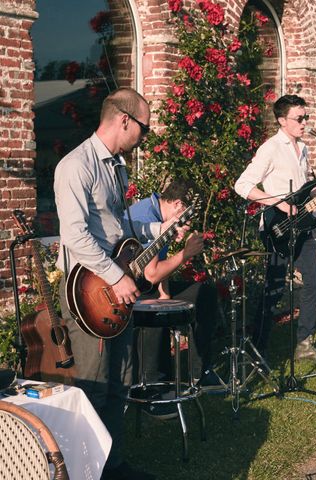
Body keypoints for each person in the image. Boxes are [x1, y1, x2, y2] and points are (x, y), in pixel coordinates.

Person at [54, 87, 180, 480]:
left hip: (114, 288)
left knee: (119, 380)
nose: (145, 136)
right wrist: (117, 276)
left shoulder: (116, 166)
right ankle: (86, 471)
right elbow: (75, 235)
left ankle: (113, 464)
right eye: (143, 127)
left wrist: (163, 227)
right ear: (124, 120)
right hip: (88, 291)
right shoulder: (75, 165)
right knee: (94, 385)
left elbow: (118, 228)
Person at [234, 94, 316, 360]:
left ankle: (305, 343)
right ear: (282, 120)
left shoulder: (304, 149)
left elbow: (300, 191)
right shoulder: (271, 148)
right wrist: (280, 204)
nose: (304, 123)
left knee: (314, 282)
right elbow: (243, 185)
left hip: (302, 226)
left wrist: (315, 193)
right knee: (274, 288)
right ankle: (258, 344)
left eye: (305, 117)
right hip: (277, 228)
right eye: (299, 118)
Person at [125, 179, 220, 419]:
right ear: (178, 204)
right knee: (156, 308)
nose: (186, 226)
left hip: (147, 284)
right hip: (129, 291)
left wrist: (165, 291)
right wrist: (186, 254)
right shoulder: (148, 218)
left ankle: (200, 372)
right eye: (185, 219)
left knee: (204, 293)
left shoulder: (158, 211)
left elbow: (157, 268)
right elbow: (152, 271)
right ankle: (153, 390)